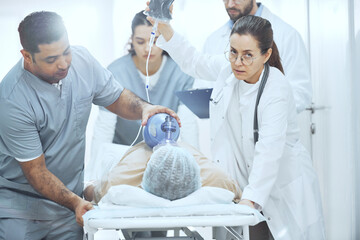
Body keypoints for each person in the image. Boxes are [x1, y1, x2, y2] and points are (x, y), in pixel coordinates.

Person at [146, 7, 325, 239]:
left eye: (248, 55)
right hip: (245, 186)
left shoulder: (276, 89)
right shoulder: (230, 71)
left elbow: (268, 152)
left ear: (266, 55)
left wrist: (249, 200)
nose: (238, 62)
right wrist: (165, 28)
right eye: (233, 52)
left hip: (281, 190)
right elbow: (194, 60)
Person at [0, 11, 180, 240]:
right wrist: (76, 201)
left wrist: (144, 108)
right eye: (51, 59)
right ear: (27, 56)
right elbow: (36, 171)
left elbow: (115, 97)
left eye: (66, 52)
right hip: (22, 212)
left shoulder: (82, 61)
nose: (64, 63)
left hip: (68, 210)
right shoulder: (12, 99)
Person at [93, 11, 197, 151]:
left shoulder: (180, 73)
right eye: (140, 42)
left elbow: (188, 126)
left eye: (155, 41)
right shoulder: (116, 72)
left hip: (163, 153)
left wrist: (195, 165)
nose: (148, 48)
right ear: (132, 40)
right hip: (123, 153)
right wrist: (97, 168)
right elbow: (104, 127)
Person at [202, 0, 311, 113]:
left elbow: (300, 94)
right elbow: (203, 87)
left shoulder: (287, 35)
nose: (230, 4)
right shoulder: (213, 40)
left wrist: (259, 109)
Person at [84, 141, 241, 203]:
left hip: (131, 159)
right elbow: (237, 192)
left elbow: (92, 192)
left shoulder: (120, 181)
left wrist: (88, 186)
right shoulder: (217, 179)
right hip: (130, 155)